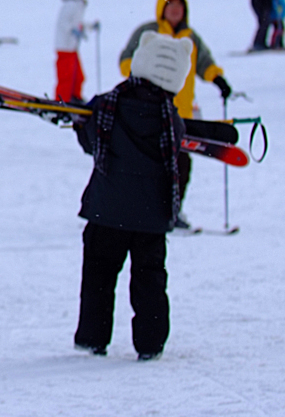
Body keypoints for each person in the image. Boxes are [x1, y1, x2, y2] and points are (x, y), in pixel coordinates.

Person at [72, 31, 193, 361]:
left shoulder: (107, 103)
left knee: (99, 274)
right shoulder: (172, 119)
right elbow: (178, 162)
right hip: (151, 218)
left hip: (107, 210)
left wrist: (78, 125)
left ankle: (93, 337)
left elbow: (91, 144)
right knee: (150, 280)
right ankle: (150, 343)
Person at [118, 0, 231, 229]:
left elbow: (204, 63)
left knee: (181, 167)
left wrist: (217, 79)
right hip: (149, 111)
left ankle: (172, 212)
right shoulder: (148, 32)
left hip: (181, 115)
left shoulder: (190, 37)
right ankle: (143, 210)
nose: (175, 11)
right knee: (151, 165)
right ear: (162, 9)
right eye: (171, 6)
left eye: (180, 7)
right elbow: (126, 59)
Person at [55, 0, 88, 102]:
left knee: (78, 77)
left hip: (72, 47)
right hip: (65, 46)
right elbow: (64, 22)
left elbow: (76, 22)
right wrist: (73, 30)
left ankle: (75, 97)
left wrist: (88, 27)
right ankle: (62, 101)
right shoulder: (71, 4)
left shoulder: (77, 3)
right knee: (66, 77)